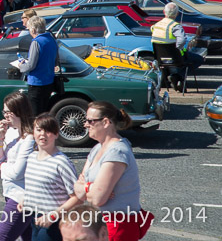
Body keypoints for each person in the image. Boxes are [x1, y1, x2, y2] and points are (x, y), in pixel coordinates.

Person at [73, 102, 153, 241]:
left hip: (117, 226)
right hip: (98, 224)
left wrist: (86, 188)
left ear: (105, 122)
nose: (85, 124)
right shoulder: (97, 148)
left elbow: (98, 199)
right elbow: (77, 190)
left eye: (90, 121)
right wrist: (91, 188)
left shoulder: (117, 152)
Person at [19, 114, 81, 241]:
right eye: (39, 130)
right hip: (34, 218)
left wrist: (53, 215)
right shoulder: (31, 157)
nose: (43, 134)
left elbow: (78, 197)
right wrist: (26, 200)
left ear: (56, 134)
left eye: (48, 131)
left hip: (54, 223)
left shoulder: (61, 162)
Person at [0, 92, 36, 241]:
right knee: (29, 237)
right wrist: (0, 136)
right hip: (11, 192)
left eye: (9, 112)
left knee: (2, 238)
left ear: (20, 112)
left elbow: (18, 172)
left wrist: (1, 169)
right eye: (4, 112)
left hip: (22, 197)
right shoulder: (11, 132)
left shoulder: (30, 138)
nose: (5, 116)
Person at [18, 16, 57, 115]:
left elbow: (31, 65)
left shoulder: (36, 42)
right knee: (44, 113)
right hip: (49, 81)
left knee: (35, 115)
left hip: (37, 83)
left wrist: (21, 66)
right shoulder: (51, 40)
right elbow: (55, 60)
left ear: (34, 29)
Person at [150, 2, 188, 91]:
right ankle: (177, 77)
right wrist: (179, 49)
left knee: (173, 63)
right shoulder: (175, 26)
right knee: (197, 59)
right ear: (177, 14)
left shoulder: (156, 25)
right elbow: (182, 40)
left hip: (160, 58)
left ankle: (175, 77)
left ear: (164, 12)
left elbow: (152, 30)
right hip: (176, 58)